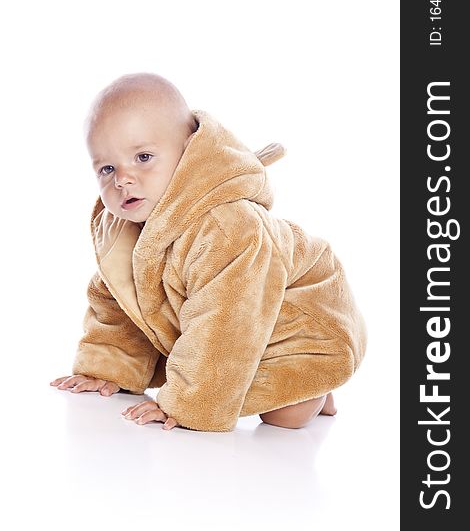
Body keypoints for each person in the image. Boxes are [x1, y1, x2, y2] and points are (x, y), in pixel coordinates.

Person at [50, 72, 367, 432]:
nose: (122, 179)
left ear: (189, 153)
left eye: (143, 157)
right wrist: (108, 368)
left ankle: (316, 388)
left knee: (285, 418)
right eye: (107, 168)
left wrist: (186, 404)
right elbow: (119, 306)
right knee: (229, 376)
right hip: (238, 332)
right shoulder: (125, 230)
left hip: (305, 321)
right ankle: (299, 391)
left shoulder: (226, 228)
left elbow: (226, 318)